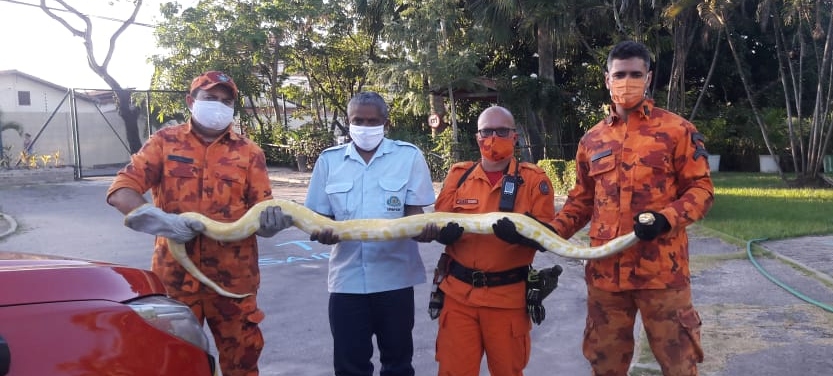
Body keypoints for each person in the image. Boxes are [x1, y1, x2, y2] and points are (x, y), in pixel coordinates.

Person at [498, 40, 715, 376]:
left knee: (679, 363)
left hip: (662, 274)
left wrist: (665, 219)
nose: (626, 81)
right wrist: (547, 232)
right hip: (605, 277)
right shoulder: (592, 140)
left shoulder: (677, 131)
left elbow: (701, 190)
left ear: (648, 78)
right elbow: (582, 201)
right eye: (619, 74)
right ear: (606, 79)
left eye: (635, 74)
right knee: (605, 364)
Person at [106, 70, 293, 376]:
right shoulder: (164, 143)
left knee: (242, 365)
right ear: (191, 101)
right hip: (176, 280)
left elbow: (262, 210)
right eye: (210, 98)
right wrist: (157, 219)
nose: (218, 104)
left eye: (225, 100)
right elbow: (121, 190)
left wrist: (271, 223)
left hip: (234, 283)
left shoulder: (250, 153)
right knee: (175, 363)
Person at [304, 91, 436, 376]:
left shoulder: (408, 156)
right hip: (347, 282)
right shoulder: (329, 161)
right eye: (358, 120)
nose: (365, 127)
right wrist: (321, 231)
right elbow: (318, 218)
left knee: (398, 364)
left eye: (372, 121)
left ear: (385, 123)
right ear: (348, 122)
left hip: (395, 280)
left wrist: (423, 230)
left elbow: (414, 214)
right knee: (350, 366)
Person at [424, 105, 558, 376]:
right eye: (486, 131)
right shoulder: (458, 176)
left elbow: (549, 237)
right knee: (453, 371)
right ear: (477, 137)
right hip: (459, 297)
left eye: (501, 131)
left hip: (507, 300)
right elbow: (436, 223)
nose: (493, 137)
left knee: (508, 371)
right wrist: (442, 234)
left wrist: (522, 236)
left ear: (514, 136)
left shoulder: (533, 180)